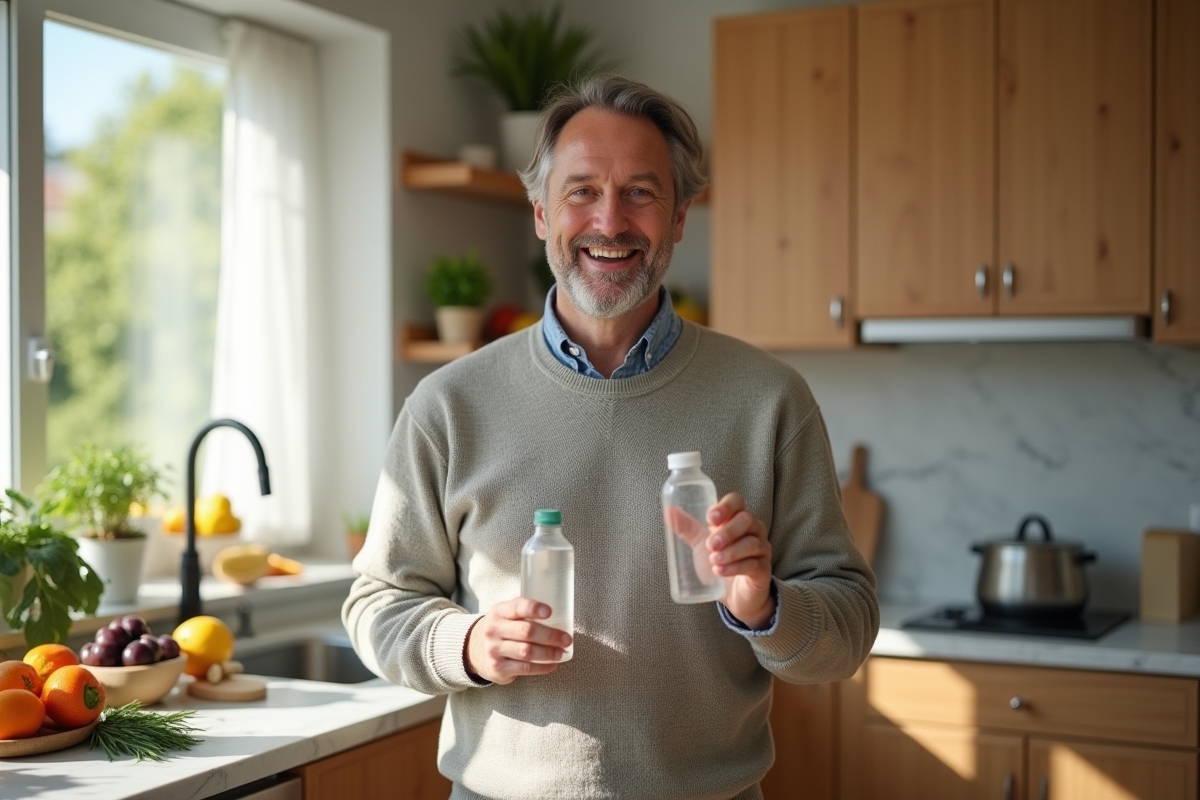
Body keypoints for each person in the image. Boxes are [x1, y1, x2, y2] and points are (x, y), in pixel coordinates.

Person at [343, 74, 878, 800]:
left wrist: (765, 606)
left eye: (641, 193)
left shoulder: (768, 399)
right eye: (582, 190)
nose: (610, 220)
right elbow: (376, 604)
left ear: (681, 216)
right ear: (540, 212)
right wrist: (464, 644)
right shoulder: (448, 405)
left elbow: (847, 626)